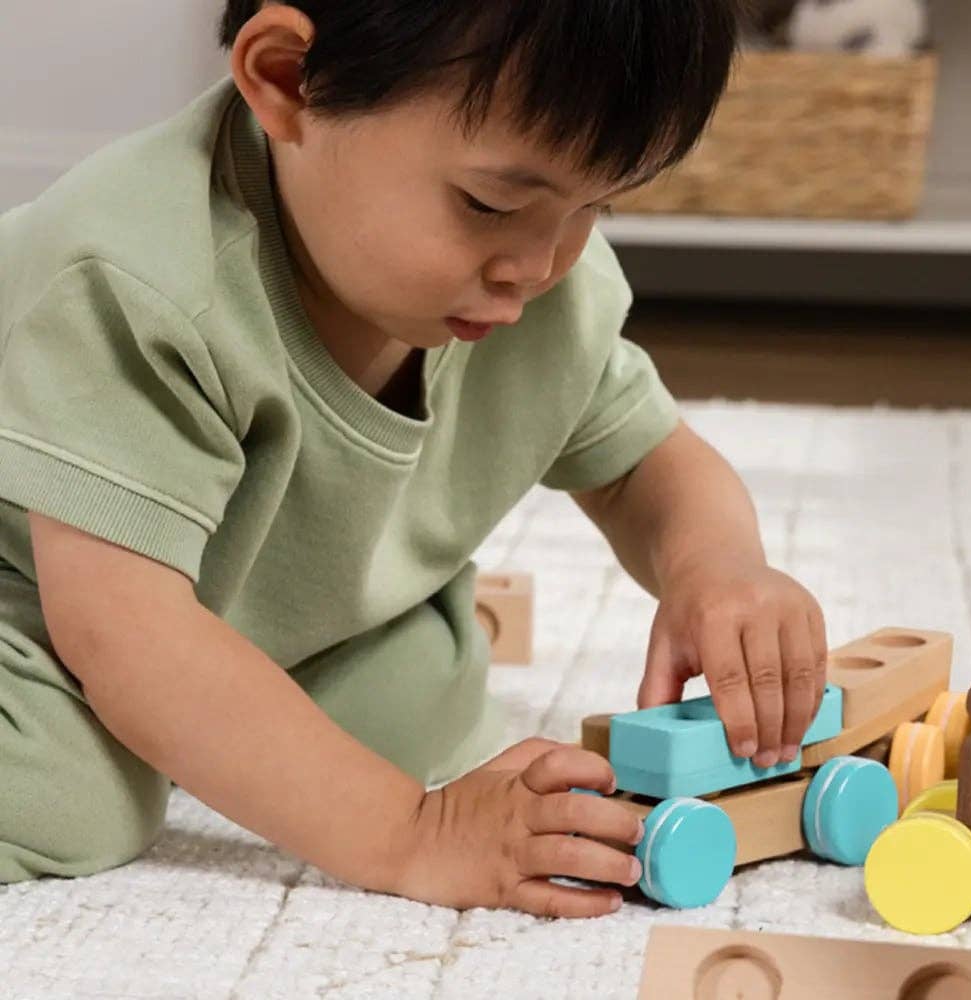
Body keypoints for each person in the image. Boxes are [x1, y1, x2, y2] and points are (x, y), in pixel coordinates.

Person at [0, 1, 826, 917]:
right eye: (491, 204)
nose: (537, 262)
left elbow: (641, 463)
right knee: (70, 799)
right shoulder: (135, 280)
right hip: (42, 598)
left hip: (274, 614)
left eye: (596, 202)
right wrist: (406, 833)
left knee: (425, 717)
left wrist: (716, 566)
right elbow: (126, 633)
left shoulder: (534, 284)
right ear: (286, 82)